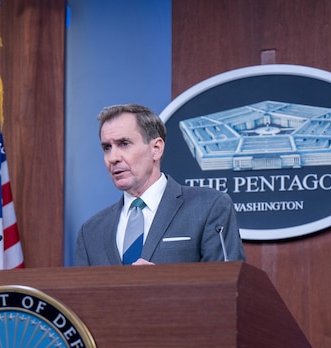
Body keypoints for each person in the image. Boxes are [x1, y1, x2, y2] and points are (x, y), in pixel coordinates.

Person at [74, 104, 246, 266]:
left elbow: (227, 286)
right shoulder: (90, 232)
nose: (113, 158)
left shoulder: (209, 206)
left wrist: (164, 286)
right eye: (106, 148)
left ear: (156, 148)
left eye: (124, 144)